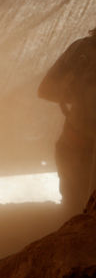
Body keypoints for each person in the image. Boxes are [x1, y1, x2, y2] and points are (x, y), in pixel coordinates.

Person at [37, 28, 96, 214]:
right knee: (75, 214)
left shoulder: (80, 50)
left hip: (75, 145)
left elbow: (46, 89)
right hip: (76, 148)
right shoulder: (81, 51)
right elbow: (46, 89)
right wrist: (79, 93)